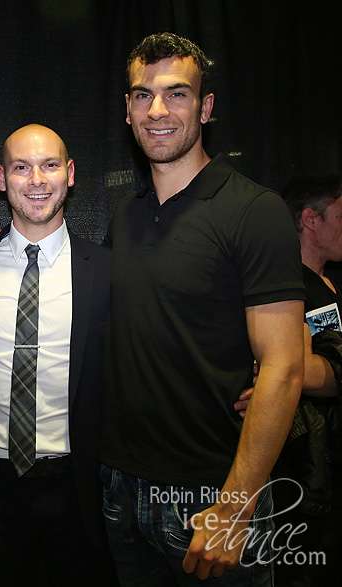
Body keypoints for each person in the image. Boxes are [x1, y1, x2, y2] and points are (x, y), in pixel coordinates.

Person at [98, 32, 306, 585]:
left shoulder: (254, 211)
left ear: (206, 106)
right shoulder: (125, 216)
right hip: (118, 490)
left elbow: (284, 369)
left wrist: (237, 508)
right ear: (127, 109)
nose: (157, 110)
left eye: (177, 94)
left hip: (210, 494)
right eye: (142, 95)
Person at [0, 123, 117, 586]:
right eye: (21, 168)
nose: (37, 180)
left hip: (77, 489)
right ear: (2, 179)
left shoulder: (106, 269)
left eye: (49, 165)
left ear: (71, 173)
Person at [260, 175, 342, 585]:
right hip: (300, 469)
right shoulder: (285, 286)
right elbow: (289, 369)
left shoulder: (329, 282)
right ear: (311, 219)